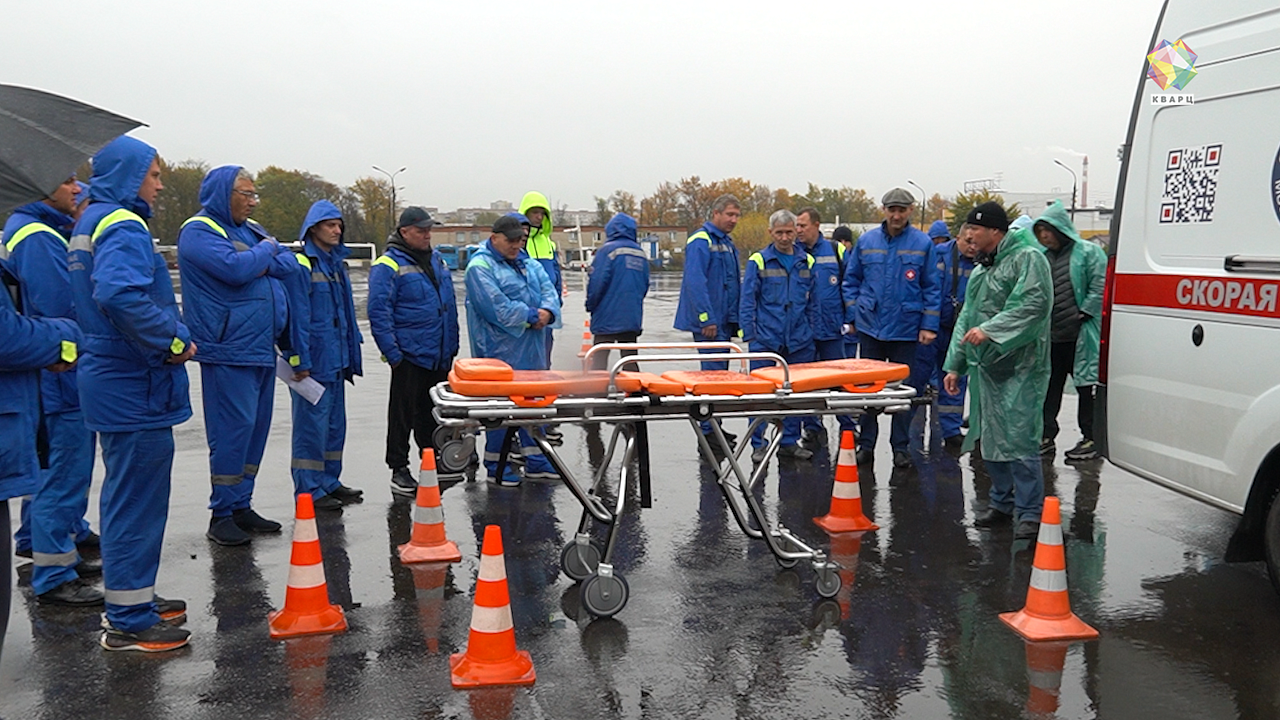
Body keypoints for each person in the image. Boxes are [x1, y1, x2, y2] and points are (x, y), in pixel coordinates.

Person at [69, 135, 193, 651]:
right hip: (132, 378)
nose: (161, 186)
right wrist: (172, 338)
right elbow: (119, 293)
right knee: (136, 501)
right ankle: (127, 619)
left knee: (127, 496)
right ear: (128, 175)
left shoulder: (88, 220)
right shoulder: (121, 222)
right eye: (155, 175)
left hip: (113, 375)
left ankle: (132, 595)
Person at [178, 166, 306, 546]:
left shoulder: (249, 231)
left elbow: (290, 267)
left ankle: (241, 504)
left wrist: (259, 257)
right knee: (231, 432)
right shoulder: (199, 231)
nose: (252, 202)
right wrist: (264, 252)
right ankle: (221, 514)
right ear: (223, 194)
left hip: (260, 347)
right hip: (228, 348)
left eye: (254, 195)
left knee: (255, 430)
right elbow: (235, 270)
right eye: (245, 194)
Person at [2, 176, 101, 605]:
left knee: (56, 471)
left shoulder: (39, 229)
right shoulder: (39, 236)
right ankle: (54, 573)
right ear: (39, 186)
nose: (77, 187)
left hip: (53, 374)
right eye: (66, 179)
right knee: (63, 473)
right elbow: (60, 307)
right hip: (61, 376)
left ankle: (58, 546)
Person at [943, 202, 1053, 541]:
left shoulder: (1027, 259)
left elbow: (1034, 304)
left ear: (995, 230)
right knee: (990, 437)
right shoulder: (982, 269)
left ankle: (1030, 512)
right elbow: (967, 317)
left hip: (1020, 366)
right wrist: (954, 364)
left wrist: (992, 329)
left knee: (1019, 438)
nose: (969, 237)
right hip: (987, 368)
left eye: (974, 230)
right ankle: (1002, 503)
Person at [842, 188, 941, 469]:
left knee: (903, 393)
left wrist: (929, 326)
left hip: (906, 329)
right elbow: (851, 280)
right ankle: (867, 445)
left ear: (910, 210)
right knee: (868, 390)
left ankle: (900, 447)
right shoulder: (867, 241)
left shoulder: (922, 243)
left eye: (901, 210)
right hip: (871, 328)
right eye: (891, 209)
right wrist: (855, 312)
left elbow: (932, 287)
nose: (896, 215)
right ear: (883, 210)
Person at [368, 207, 460, 496]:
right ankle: (398, 468)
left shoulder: (437, 260)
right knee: (402, 415)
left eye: (428, 230)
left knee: (431, 413)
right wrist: (393, 354)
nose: (427, 235)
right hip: (409, 355)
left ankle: (431, 461)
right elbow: (379, 312)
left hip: (438, 352)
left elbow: (449, 304)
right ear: (404, 232)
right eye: (421, 231)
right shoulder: (388, 264)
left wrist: (451, 345)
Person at [464, 215, 562, 486]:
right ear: (494, 237)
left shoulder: (527, 263)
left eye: (520, 240)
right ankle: (497, 466)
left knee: (534, 405)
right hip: (498, 351)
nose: (517, 245)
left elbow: (549, 290)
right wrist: (532, 316)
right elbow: (495, 307)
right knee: (500, 410)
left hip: (532, 350)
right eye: (511, 240)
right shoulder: (480, 267)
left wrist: (548, 313)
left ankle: (537, 461)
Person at [284, 201, 365, 511]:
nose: (337, 230)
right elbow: (296, 318)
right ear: (313, 228)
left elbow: (345, 315)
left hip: (336, 360)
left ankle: (329, 481)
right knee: (310, 430)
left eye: (339, 224)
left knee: (334, 426)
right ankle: (308, 490)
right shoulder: (303, 265)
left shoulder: (335, 264)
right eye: (330, 224)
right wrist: (298, 359)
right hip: (315, 363)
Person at [741, 210, 816, 463]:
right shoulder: (759, 261)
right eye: (779, 233)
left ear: (796, 232)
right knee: (760, 394)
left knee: (794, 394)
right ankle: (757, 443)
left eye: (789, 232)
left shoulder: (807, 261)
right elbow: (748, 300)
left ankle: (788, 441)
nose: (785, 237)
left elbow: (814, 302)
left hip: (799, 338)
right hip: (766, 338)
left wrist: (812, 331)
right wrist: (750, 335)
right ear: (770, 233)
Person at [1033, 200, 1106, 462]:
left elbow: (1100, 283)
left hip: (1080, 334)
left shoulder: (1088, 252)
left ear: (1060, 229)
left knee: (1086, 388)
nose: (1043, 236)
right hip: (1052, 337)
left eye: (1048, 230)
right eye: (1040, 231)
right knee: (1048, 387)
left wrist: (1085, 310)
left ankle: (1091, 437)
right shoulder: (1042, 258)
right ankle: (1045, 435)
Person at [674, 194, 742, 448]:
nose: (733, 220)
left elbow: (731, 283)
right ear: (716, 213)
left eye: (736, 216)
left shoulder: (725, 242)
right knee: (712, 376)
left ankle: (715, 426)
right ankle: (707, 430)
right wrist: (706, 318)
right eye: (729, 215)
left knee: (720, 376)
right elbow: (696, 283)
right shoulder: (701, 241)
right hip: (710, 323)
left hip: (723, 321)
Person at [915, 223, 978, 449]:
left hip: (959, 330)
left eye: (975, 242)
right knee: (918, 377)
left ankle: (951, 430)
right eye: (967, 241)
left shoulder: (982, 262)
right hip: (932, 328)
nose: (972, 247)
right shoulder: (938, 255)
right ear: (957, 238)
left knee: (955, 379)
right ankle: (907, 432)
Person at [795, 206, 854, 447]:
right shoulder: (793, 252)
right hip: (803, 330)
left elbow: (850, 284)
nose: (798, 230)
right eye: (796, 226)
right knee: (807, 382)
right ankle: (812, 426)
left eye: (803, 226)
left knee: (838, 379)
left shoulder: (836, 250)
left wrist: (851, 320)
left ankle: (848, 425)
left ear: (816, 225)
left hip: (831, 328)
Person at [585, 213, 649, 371]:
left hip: (606, 315)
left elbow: (597, 282)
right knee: (629, 359)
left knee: (599, 358)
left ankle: (598, 392)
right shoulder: (640, 254)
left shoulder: (606, 251)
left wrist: (590, 305)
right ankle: (634, 392)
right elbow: (645, 284)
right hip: (631, 316)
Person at [519, 192, 561, 366]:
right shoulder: (519, 242)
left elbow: (557, 278)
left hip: (546, 315)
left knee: (544, 362)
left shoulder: (549, 243)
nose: (538, 217)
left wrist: (553, 308)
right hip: (524, 316)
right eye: (534, 212)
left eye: (542, 213)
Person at [832, 225, 859, 361]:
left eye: (846, 240)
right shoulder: (834, 256)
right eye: (839, 240)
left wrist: (852, 319)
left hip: (850, 327)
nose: (842, 244)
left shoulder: (855, 261)